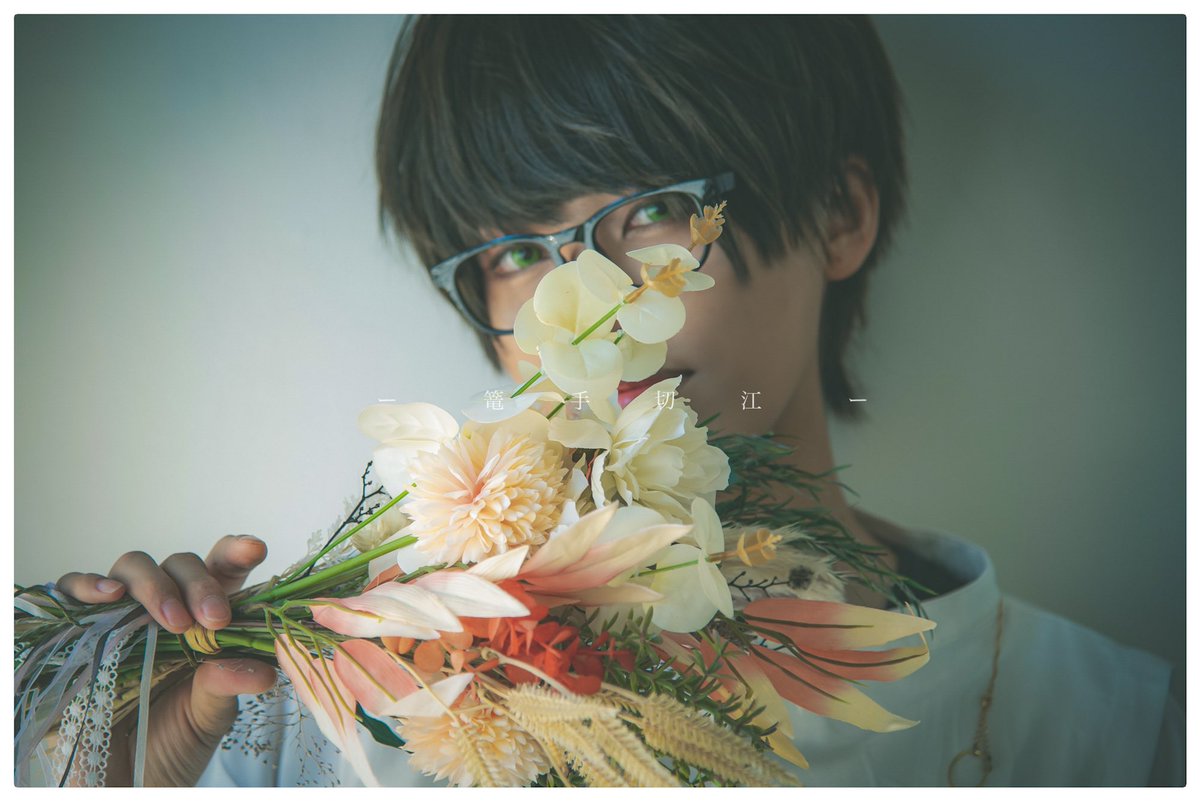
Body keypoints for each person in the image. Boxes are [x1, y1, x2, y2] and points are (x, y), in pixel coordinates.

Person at [44, 15, 1183, 787]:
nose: (571, 314)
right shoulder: (313, 709)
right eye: (512, 251)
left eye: (647, 211)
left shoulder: (1126, 733)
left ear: (840, 216)